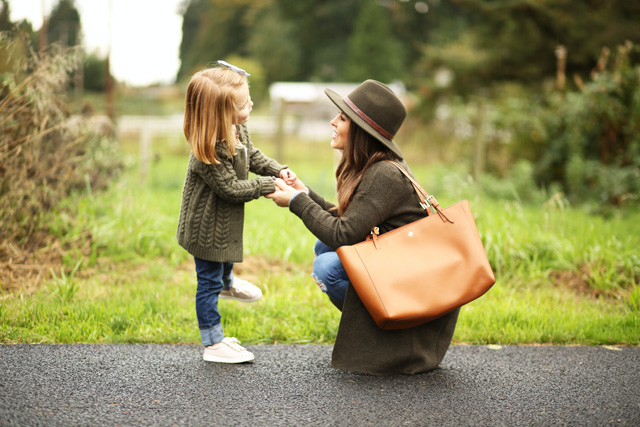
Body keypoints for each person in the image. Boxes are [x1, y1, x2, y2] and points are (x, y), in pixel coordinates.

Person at [267, 80, 459, 375]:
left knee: (329, 266)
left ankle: (390, 335)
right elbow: (350, 220)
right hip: (399, 269)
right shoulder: (375, 165)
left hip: (412, 286)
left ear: (360, 129)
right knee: (324, 248)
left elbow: (342, 233)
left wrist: (296, 202)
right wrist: (303, 192)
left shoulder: (384, 174)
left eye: (341, 118)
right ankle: (380, 330)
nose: (332, 122)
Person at [177, 61, 296, 364]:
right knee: (207, 284)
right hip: (204, 227)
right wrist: (267, 185)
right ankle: (213, 343)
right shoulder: (208, 150)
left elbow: (252, 155)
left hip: (224, 222)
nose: (251, 105)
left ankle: (227, 282)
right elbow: (230, 188)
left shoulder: (236, 127)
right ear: (220, 112)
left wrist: (278, 170)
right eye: (243, 104)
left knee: (226, 254)